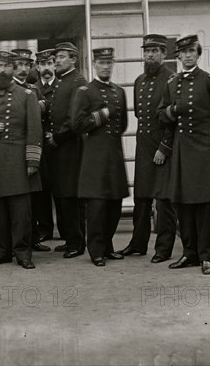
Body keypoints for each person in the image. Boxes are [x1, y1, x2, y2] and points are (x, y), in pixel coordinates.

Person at [157, 35, 210, 275]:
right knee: (183, 204)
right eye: (183, 52)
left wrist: (204, 130)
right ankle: (189, 253)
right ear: (178, 56)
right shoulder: (172, 82)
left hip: (206, 151)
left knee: (206, 205)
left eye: (192, 51)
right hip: (182, 151)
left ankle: (207, 256)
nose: (187, 56)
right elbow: (161, 115)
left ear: (198, 54)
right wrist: (173, 110)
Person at [0, 51, 42, 269]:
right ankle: (1, 252)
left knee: (21, 212)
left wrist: (32, 161)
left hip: (18, 160)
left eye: (6, 66)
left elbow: (34, 129)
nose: (2, 70)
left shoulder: (27, 95)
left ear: (13, 70)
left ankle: (22, 253)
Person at [117, 34, 177, 263]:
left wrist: (164, 147)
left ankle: (163, 248)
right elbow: (140, 117)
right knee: (141, 198)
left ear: (164, 53)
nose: (149, 55)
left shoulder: (172, 79)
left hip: (162, 146)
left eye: (154, 50)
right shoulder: (140, 81)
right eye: (146, 51)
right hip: (144, 145)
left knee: (163, 201)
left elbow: (173, 120)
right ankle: (138, 244)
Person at [72, 48, 128, 266]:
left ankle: (108, 246)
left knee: (114, 205)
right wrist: (101, 115)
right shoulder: (85, 91)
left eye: (109, 62)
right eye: (102, 63)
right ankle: (95, 250)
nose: (106, 66)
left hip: (114, 156)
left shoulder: (119, 92)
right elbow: (77, 124)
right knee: (96, 207)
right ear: (94, 64)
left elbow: (122, 124)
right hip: (94, 157)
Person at [47, 42, 88, 258]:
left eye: (62, 56)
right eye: (56, 57)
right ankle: (70, 238)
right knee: (62, 194)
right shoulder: (63, 81)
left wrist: (57, 137)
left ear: (73, 59)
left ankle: (77, 243)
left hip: (71, 145)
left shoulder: (78, 81)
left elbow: (76, 119)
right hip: (60, 147)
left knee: (72, 195)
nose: (57, 60)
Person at [11, 48, 50, 252]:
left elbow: (45, 110)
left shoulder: (33, 89)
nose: (24, 69)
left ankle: (33, 238)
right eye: (19, 64)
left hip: (34, 148)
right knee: (18, 200)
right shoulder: (7, 90)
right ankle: (17, 241)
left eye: (27, 65)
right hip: (15, 150)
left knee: (33, 198)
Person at [34, 49, 61, 241]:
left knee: (61, 188)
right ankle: (44, 229)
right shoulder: (32, 88)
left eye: (50, 64)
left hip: (59, 146)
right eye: (42, 65)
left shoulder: (62, 87)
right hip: (40, 146)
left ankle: (66, 229)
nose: (46, 68)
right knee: (42, 189)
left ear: (55, 65)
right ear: (37, 67)